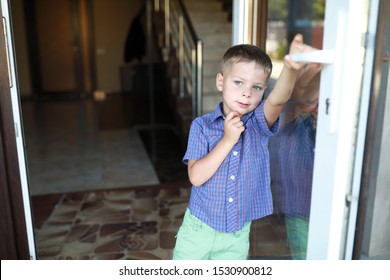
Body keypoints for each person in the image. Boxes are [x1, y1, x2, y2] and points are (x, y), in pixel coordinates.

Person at [172, 34, 317, 260]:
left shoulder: (259, 125)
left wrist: (291, 67)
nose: (247, 93)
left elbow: (278, 100)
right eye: (238, 82)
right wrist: (228, 140)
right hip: (198, 230)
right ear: (221, 81)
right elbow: (196, 177)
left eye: (257, 87)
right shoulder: (202, 126)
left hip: (237, 235)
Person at [269, 67, 321, 260]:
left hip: (328, 213)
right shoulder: (295, 130)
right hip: (299, 213)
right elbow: (290, 107)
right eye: (315, 106)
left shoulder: (338, 140)